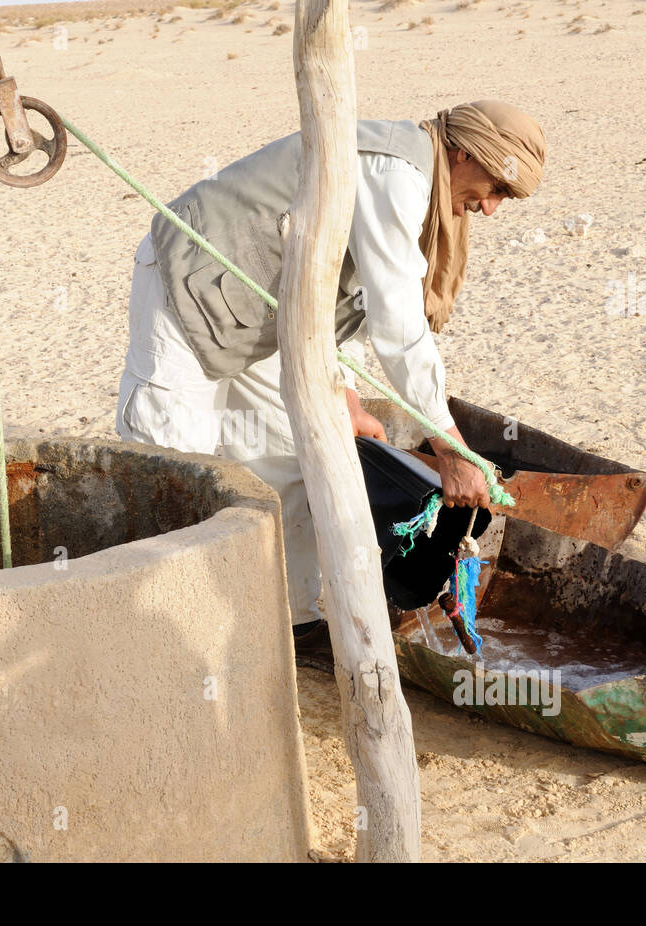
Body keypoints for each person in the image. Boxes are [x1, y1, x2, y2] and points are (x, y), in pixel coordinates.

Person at [115, 100, 547, 653]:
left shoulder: (423, 189)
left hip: (273, 313)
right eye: (495, 188)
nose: (489, 209)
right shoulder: (398, 177)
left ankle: (291, 626)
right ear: (464, 153)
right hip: (193, 284)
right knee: (176, 460)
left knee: (295, 458)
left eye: (504, 199)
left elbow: (329, 290)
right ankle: (160, 630)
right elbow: (398, 328)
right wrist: (452, 449)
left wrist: (341, 393)